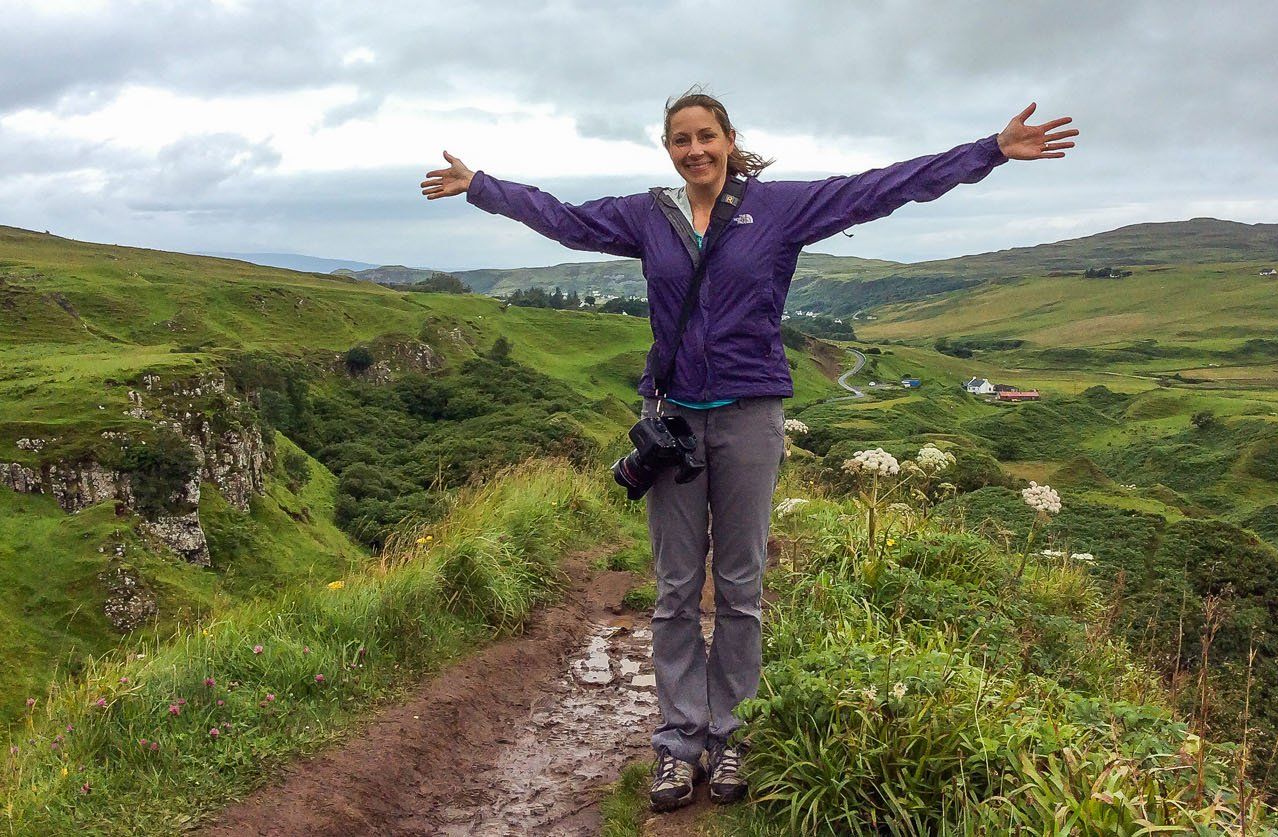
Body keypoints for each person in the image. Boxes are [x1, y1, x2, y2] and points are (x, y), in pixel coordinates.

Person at [421, 89, 1077, 812]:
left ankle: (733, 733)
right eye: (681, 140)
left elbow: (878, 191)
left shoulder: (781, 208)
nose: (695, 150)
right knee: (674, 589)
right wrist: (480, 187)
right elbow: (566, 220)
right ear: (668, 149)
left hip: (750, 417)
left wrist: (987, 150)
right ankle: (677, 740)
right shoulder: (650, 215)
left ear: (730, 140)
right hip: (671, 421)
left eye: (706, 136)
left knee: (739, 586)